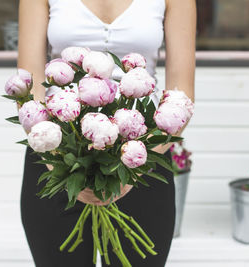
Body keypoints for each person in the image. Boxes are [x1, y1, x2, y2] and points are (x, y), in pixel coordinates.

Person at [18, 0, 196, 266]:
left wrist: (133, 166)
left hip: (144, 161)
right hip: (55, 160)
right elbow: (28, 87)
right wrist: (60, 162)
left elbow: (182, 95)